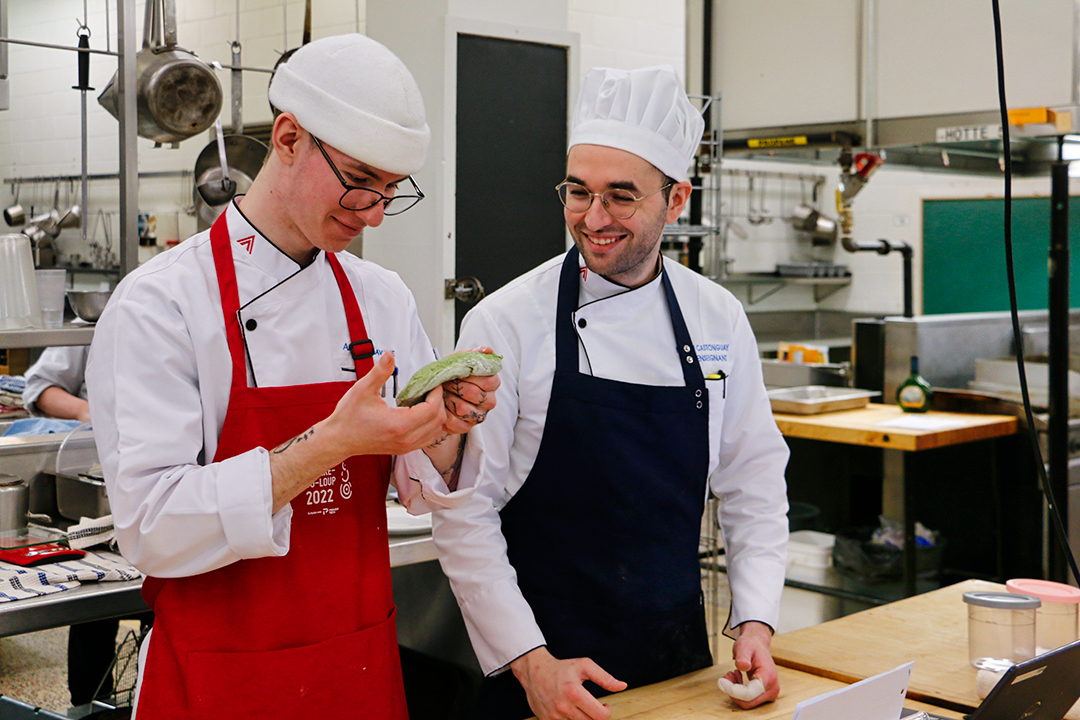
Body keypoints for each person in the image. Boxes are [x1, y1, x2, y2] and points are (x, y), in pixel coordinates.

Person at [86, 34, 498, 719]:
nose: (372, 211)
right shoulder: (161, 303)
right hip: (221, 677)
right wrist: (330, 443)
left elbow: (423, 487)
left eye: (391, 192)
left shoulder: (381, 295)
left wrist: (444, 431)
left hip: (354, 663)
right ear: (287, 138)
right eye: (360, 179)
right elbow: (153, 527)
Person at [431, 65, 790, 720]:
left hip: (676, 666)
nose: (593, 218)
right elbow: (465, 512)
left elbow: (752, 481)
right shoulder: (503, 323)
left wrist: (757, 623)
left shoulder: (716, 320)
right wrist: (530, 663)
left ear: (676, 200)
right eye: (577, 192)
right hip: (542, 676)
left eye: (621, 197)